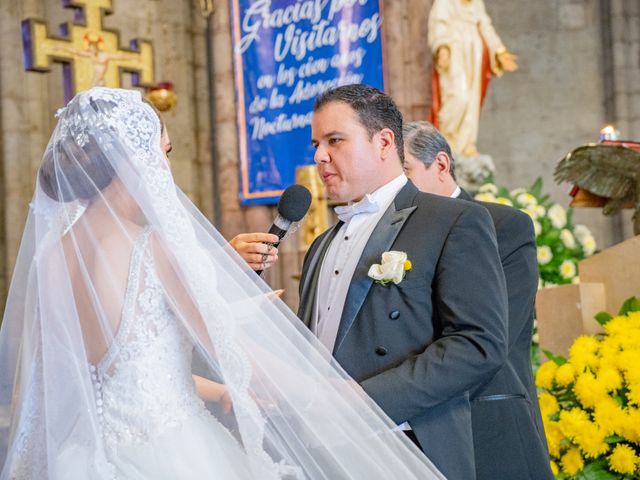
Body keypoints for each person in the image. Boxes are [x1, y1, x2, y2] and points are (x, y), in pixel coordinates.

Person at [0, 87, 446, 479]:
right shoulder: (151, 247)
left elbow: (103, 371)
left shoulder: (52, 255)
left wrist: (216, 390)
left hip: (78, 458)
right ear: (133, 158)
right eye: (165, 152)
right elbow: (239, 354)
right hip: (172, 455)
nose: (165, 169)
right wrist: (340, 395)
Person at [298, 84, 509, 479]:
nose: (319, 156)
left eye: (334, 141)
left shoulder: (451, 221)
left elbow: (479, 344)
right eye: (316, 144)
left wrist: (363, 400)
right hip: (320, 447)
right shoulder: (321, 245)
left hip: (406, 444)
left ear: (383, 142)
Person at [402, 120, 554, 480]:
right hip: (413, 431)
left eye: (404, 171)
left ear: (440, 164)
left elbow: (494, 333)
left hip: (488, 423)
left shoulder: (502, 225)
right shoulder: (394, 237)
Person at [428, 0, 518, 157]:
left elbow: (486, 28)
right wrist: (442, 47)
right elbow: (438, 24)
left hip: (474, 54)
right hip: (454, 51)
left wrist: (499, 51)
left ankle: (467, 143)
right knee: (458, 96)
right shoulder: (445, 2)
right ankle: (448, 139)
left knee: (471, 100)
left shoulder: (476, 4)